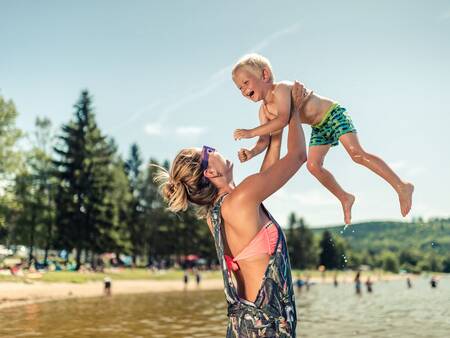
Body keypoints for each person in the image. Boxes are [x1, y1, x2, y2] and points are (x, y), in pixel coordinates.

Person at [154, 86, 307, 337]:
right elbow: (299, 156)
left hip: (243, 327)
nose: (215, 149)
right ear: (210, 173)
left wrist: (275, 128)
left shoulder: (217, 213)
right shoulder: (241, 199)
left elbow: (266, 175)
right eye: (208, 150)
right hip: (265, 329)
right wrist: (294, 111)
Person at [232, 53, 414, 225]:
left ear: (265, 74)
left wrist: (250, 132)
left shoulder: (281, 89)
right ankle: (344, 197)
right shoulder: (264, 111)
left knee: (356, 154)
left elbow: (283, 119)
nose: (243, 90)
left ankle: (401, 185)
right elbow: (266, 141)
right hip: (319, 126)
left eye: (246, 82)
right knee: (313, 166)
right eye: (239, 88)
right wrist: (251, 152)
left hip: (332, 114)